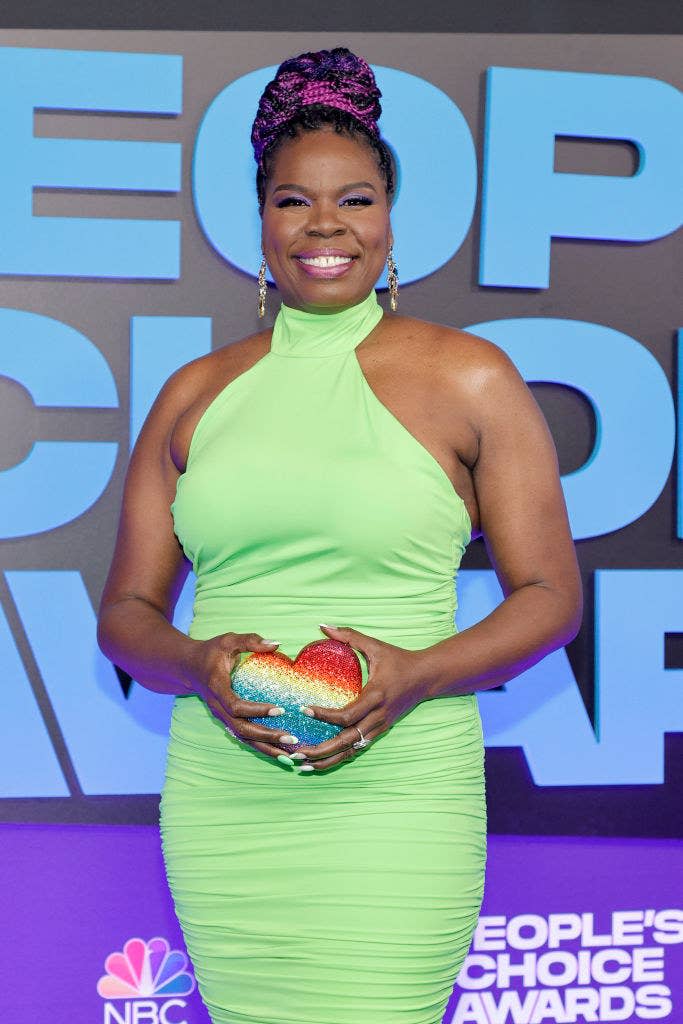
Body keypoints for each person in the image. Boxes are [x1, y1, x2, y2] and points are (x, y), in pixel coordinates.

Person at [97, 46, 582, 1024]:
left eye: (353, 199)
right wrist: (197, 661)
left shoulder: (470, 378)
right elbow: (125, 615)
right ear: (260, 224)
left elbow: (550, 599)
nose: (323, 225)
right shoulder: (193, 394)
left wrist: (414, 672)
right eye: (292, 200)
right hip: (224, 798)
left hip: (395, 793)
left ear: (391, 220)